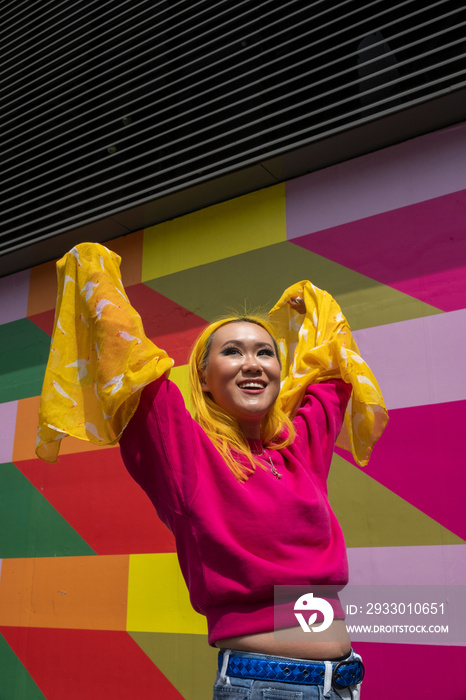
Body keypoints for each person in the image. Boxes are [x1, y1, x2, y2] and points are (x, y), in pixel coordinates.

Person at [37, 243, 388, 699]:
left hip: (346, 683)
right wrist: (95, 270)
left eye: (265, 353)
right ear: (203, 377)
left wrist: (320, 306)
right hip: (265, 687)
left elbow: (333, 380)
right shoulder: (188, 455)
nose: (252, 364)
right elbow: (131, 367)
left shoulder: (296, 453)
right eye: (233, 352)